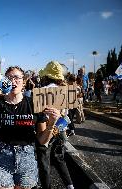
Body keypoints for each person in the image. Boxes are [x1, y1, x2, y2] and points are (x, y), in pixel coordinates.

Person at [0, 66, 61, 189]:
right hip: (1, 156)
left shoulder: (34, 103)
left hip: (26, 157)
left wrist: (51, 124)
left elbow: (42, 140)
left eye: (17, 77)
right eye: (9, 78)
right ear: (3, 81)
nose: (13, 81)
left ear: (23, 81)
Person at [37, 61, 74, 189]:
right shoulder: (67, 91)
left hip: (46, 129)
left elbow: (38, 115)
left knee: (44, 163)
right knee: (60, 158)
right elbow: (67, 113)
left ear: (46, 76)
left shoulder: (41, 91)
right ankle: (70, 186)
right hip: (60, 129)